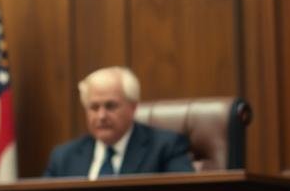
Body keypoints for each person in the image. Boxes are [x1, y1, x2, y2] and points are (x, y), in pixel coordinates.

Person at [43, 66, 194, 178]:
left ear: (133, 107)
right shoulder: (64, 157)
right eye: (94, 107)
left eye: (110, 106)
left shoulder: (165, 148)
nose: (101, 116)